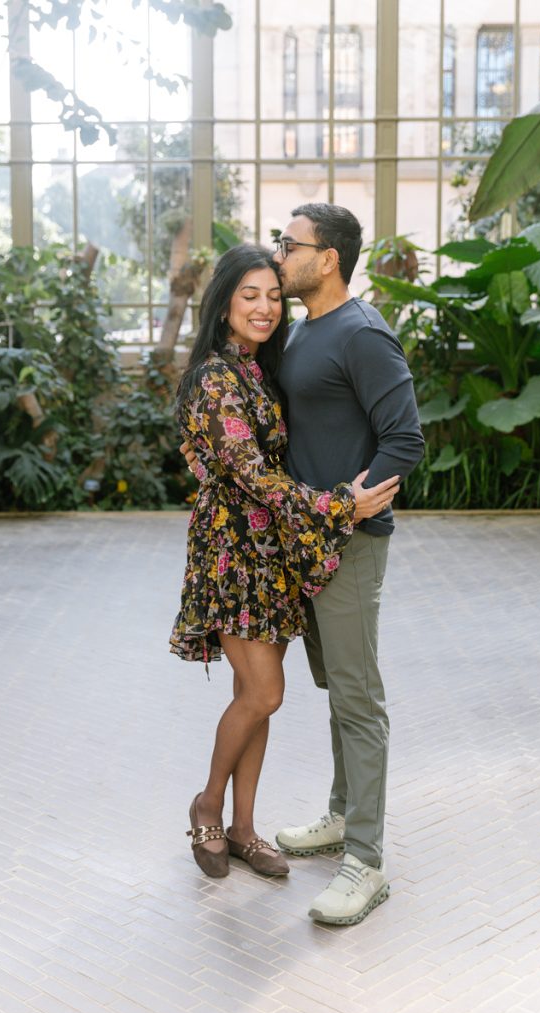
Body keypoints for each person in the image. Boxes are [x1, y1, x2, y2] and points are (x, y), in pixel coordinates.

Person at [169, 243, 401, 882]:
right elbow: (253, 476)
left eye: (274, 295)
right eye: (250, 296)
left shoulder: (258, 371)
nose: (266, 307)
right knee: (266, 692)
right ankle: (208, 804)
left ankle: (244, 828)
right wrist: (338, 507)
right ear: (224, 305)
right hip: (232, 555)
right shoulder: (214, 379)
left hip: (272, 555)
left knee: (258, 697)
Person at [269, 203, 425, 926]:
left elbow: (404, 439)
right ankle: (339, 816)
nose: (278, 252)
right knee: (336, 689)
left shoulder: (361, 333)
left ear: (325, 258)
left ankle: (365, 860)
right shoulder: (304, 329)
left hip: (349, 544)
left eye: (288, 243)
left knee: (358, 700)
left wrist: (351, 503)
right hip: (307, 541)